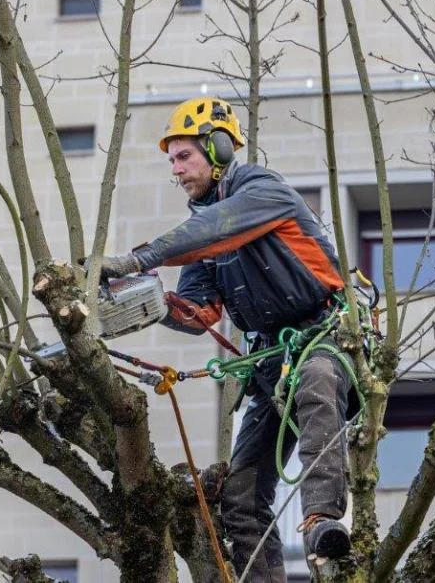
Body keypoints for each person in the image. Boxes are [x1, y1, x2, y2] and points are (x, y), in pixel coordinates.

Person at [91, 97, 354, 581]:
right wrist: (148, 302)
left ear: (218, 149)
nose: (176, 169)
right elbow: (200, 314)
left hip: (322, 336)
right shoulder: (206, 239)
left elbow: (215, 228)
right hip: (272, 361)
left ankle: (321, 518)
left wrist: (137, 259)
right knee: (241, 495)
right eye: (172, 160)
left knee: (318, 379)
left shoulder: (261, 191)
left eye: (184, 156)